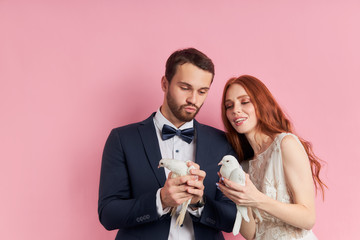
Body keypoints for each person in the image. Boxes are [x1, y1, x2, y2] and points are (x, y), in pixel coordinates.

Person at [98, 48, 237, 240]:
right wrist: (160, 200)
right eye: (185, 87)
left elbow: (233, 220)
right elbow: (108, 214)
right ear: (165, 83)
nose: (193, 99)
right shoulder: (122, 139)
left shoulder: (223, 143)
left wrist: (200, 203)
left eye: (202, 91)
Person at [217, 75, 326, 240]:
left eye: (244, 102)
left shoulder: (285, 144)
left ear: (261, 103)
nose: (235, 110)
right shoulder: (243, 166)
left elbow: (308, 218)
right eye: (229, 106)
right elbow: (252, 234)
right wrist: (240, 199)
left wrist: (256, 199)